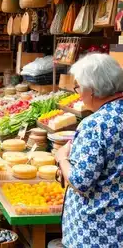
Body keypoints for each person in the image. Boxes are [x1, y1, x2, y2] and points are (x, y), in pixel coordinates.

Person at [55, 54, 123, 248]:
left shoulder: (95, 124)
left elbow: (80, 182)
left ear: (92, 90)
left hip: (97, 230)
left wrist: (62, 159)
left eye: (79, 87)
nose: (78, 94)